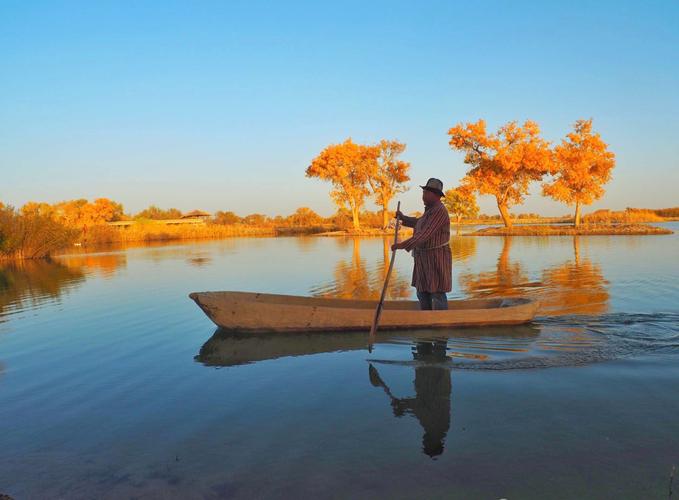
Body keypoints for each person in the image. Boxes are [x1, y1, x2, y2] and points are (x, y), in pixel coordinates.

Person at [392, 178, 452, 310]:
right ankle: (425, 318)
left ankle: (442, 320)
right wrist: (403, 218)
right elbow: (418, 223)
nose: (423, 195)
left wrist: (401, 245)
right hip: (423, 258)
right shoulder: (429, 211)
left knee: (437, 291)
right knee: (422, 290)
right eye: (423, 192)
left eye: (427, 193)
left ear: (436, 195)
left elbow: (424, 235)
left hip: (436, 258)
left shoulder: (439, 211)